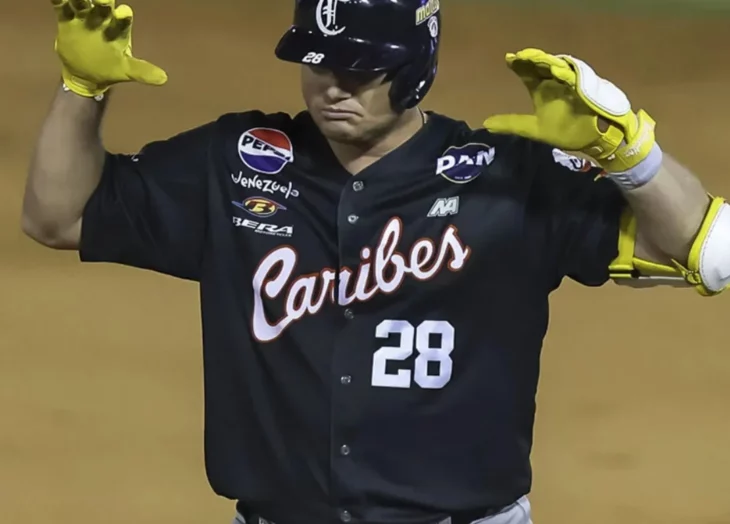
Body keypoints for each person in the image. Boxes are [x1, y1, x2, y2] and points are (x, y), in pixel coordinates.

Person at [21, 0, 730, 523]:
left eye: (361, 69)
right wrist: (82, 91)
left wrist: (630, 156)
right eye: (318, 61)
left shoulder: (505, 178)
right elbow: (58, 217)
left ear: (416, 65)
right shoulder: (237, 164)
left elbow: (706, 251)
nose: (333, 85)